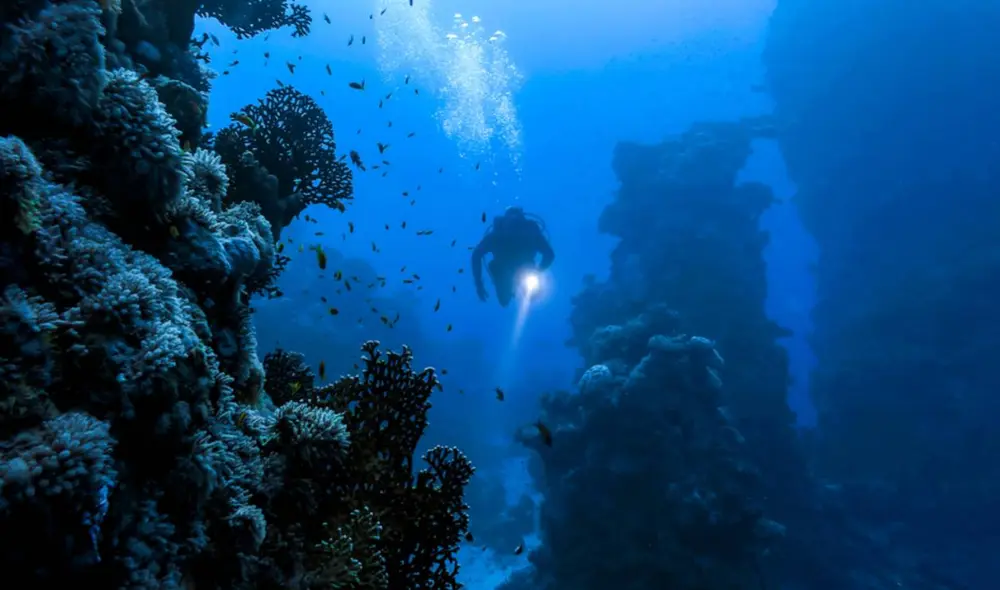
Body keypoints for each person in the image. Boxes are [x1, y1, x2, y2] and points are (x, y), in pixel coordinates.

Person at [472, 206, 555, 307]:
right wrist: (539, 269)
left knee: (507, 300)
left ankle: (510, 284)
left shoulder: (496, 235)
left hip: (509, 270)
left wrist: (478, 283)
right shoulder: (530, 233)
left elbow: (476, 254)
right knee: (517, 298)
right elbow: (549, 254)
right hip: (517, 270)